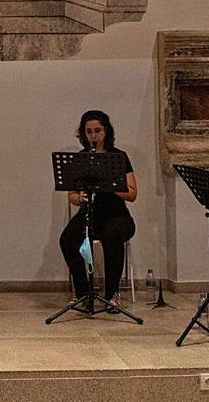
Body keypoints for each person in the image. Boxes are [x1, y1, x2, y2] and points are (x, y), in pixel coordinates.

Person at [59, 110, 137, 309]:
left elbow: (132, 194)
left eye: (97, 131)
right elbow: (72, 196)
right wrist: (80, 197)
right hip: (89, 215)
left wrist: (111, 185)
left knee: (113, 237)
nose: (93, 136)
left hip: (116, 215)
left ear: (106, 131)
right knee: (67, 240)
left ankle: (112, 294)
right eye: (89, 132)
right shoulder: (81, 158)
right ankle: (83, 292)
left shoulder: (118, 157)